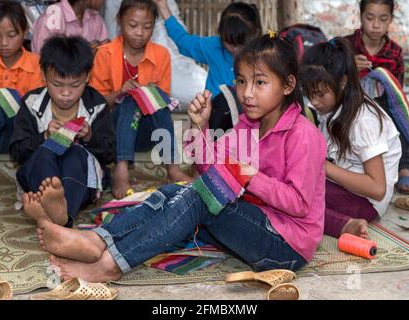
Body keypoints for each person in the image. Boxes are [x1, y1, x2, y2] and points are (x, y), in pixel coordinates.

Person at [28, 34, 326, 283]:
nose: (247, 93)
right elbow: (210, 169)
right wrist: (200, 126)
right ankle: (99, 240)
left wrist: (249, 175)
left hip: (286, 247)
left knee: (199, 198)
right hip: (255, 222)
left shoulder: (303, 134)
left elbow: (298, 203)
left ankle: (109, 266)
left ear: (287, 85)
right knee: (176, 191)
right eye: (242, 81)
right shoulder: (249, 124)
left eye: (260, 83)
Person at [89, 0, 192, 200]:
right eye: (133, 25)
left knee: (152, 98)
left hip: (145, 134)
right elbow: (95, 105)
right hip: (112, 132)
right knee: (130, 98)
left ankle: (172, 167)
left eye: (147, 27)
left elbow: (163, 105)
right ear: (119, 21)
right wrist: (119, 92)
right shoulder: (105, 53)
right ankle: (121, 167)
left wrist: (148, 94)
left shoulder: (161, 55)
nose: (139, 33)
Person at [301, 37, 401, 238]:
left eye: (320, 94)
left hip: (365, 202)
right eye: (309, 94)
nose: (313, 101)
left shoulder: (364, 120)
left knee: (298, 197)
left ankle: (341, 225)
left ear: (344, 82)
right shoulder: (331, 108)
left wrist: (325, 168)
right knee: (289, 192)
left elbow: (377, 188)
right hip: (341, 189)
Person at [11, 35, 115, 228]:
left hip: (81, 180)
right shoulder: (32, 103)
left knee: (75, 153)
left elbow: (109, 154)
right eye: (57, 85)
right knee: (46, 151)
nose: (66, 93)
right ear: (43, 75)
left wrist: (89, 137)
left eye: (75, 85)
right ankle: (60, 215)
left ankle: (56, 214)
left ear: (87, 77)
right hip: (36, 175)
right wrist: (43, 137)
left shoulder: (97, 105)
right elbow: (17, 151)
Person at [345, 0, 409, 194]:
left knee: (401, 118)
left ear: (390, 20)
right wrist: (348, 65)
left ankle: (404, 169)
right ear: (360, 17)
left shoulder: (394, 53)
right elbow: (328, 78)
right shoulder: (346, 46)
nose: (376, 25)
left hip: (383, 105)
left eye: (383, 19)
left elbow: (396, 91)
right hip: (351, 102)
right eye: (370, 18)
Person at [154, 0, 262, 97]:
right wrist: (163, 6)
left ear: (256, 34)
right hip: (215, 114)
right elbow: (183, 41)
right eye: (228, 43)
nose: (234, 49)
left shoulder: (264, 55)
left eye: (240, 44)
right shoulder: (214, 47)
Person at [0, 0, 43, 157]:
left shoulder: (37, 64)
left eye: (12, 35)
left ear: (25, 31)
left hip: (16, 137)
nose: (4, 43)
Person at [31, 0, 108, 53]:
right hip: (57, 75)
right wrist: (83, 54)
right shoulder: (52, 17)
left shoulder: (95, 18)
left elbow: (105, 51)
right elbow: (41, 58)